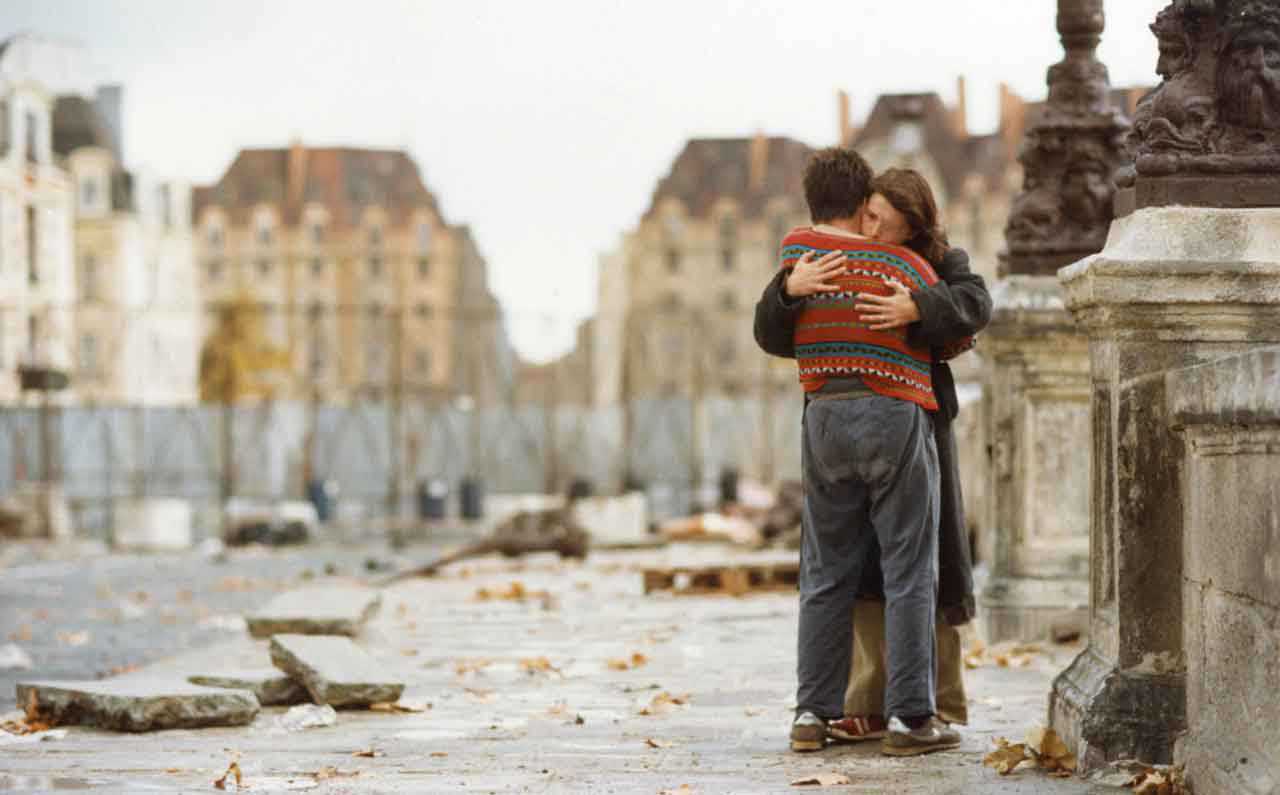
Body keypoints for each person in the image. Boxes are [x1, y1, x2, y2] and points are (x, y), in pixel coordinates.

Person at [753, 148, 968, 757]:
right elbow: (960, 332)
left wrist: (791, 291)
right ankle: (908, 719)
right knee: (909, 571)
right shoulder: (903, 264)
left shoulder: (795, 257)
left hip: (824, 414)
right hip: (893, 412)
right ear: (861, 205)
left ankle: (810, 715)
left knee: (823, 573)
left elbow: (773, 333)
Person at [828, 168, 990, 743]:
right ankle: (865, 702)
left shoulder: (944, 259)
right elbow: (777, 327)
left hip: (923, 421)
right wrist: (786, 291)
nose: (867, 224)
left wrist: (916, 308)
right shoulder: (842, 253)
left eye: (879, 216)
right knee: (865, 563)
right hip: (854, 422)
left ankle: (936, 703)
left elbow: (975, 304)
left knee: (933, 562)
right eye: (866, 212)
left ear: (909, 216)